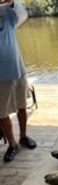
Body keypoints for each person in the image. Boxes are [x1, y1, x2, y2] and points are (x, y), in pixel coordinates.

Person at [0, 0, 36, 163]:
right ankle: (12, 144)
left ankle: (23, 136)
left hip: (18, 70)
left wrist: (12, 2)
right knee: (2, 113)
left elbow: (22, 15)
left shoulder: (7, 12)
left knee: (22, 106)